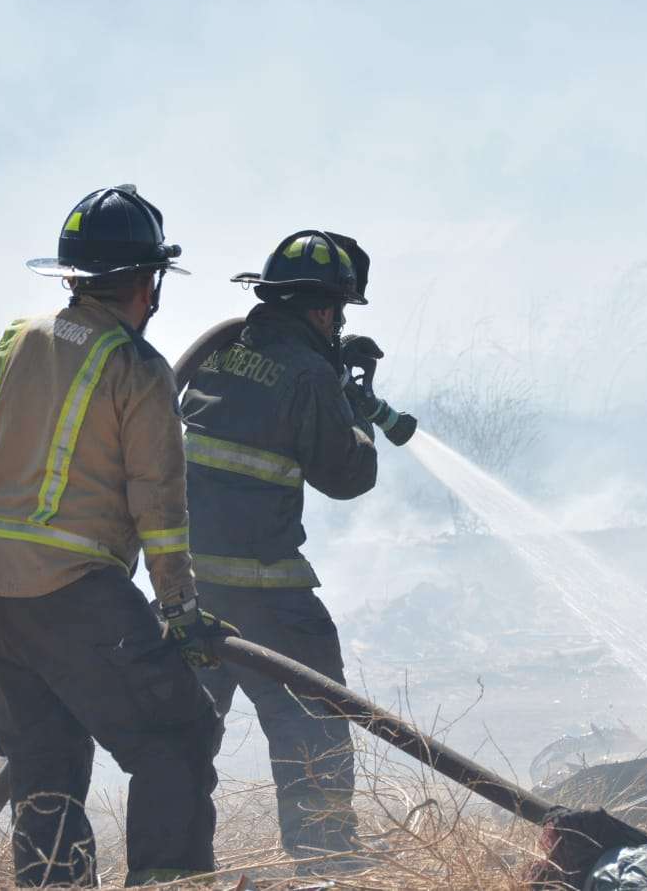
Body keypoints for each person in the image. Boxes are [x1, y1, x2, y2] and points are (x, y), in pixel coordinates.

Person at [0, 185, 227, 886]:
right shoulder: (136, 369)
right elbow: (160, 508)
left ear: (73, 276)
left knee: (44, 767)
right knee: (177, 734)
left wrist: (3, 549)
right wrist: (180, 611)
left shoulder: (19, 340)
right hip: (76, 591)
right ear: (149, 283)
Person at [180, 230, 391, 875]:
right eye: (340, 312)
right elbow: (348, 476)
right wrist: (353, 409)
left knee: (180, 744)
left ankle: (176, 868)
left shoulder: (219, 356)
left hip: (188, 593)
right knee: (316, 733)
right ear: (325, 311)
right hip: (267, 595)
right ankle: (327, 867)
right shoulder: (307, 375)